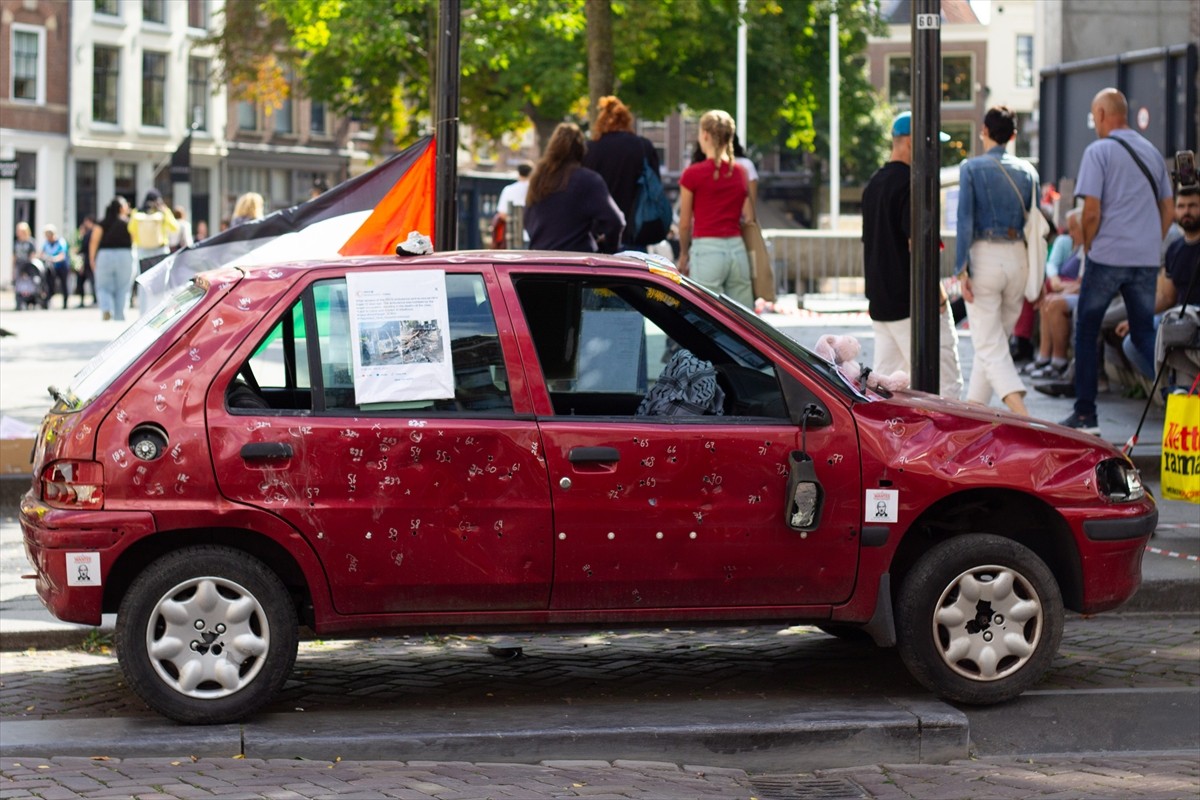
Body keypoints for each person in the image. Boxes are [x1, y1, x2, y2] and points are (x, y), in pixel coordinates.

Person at [1062, 88, 1174, 434]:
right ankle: (1180, 395)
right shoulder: (1152, 152)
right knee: (1144, 335)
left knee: (1086, 327)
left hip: (1108, 256)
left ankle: (1086, 416)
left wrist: (1091, 248)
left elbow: (1091, 211)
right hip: (1143, 260)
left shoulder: (1099, 151)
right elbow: (1168, 209)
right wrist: (1149, 242)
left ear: (1100, 114)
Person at [861, 111, 963, 399]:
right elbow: (917, 246)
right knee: (946, 388)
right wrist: (939, 295)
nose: (934, 151)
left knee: (886, 394)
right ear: (910, 142)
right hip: (912, 305)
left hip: (881, 304)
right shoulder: (913, 184)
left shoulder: (873, 185)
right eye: (930, 143)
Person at [955, 105, 1040, 415]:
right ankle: (971, 414)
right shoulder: (1029, 171)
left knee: (990, 347)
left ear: (984, 131)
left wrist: (960, 269)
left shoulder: (971, 168)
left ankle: (1024, 416)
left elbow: (964, 220)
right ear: (1014, 136)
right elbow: (1037, 224)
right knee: (992, 346)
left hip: (985, 257)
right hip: (1019, 260)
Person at [678, 109, 754, 307]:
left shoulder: (692, 174)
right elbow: (749, 217)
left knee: (705, 317)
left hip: (707, 249)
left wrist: (684, 254)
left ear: (705, 135)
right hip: (737, 250)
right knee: (744, 320)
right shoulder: (741, 172)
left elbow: (685, 223)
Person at [523, 122, 624, 253]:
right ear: (582, 150)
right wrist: (608, 248)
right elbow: (615, 221)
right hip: (576, 263)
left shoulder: (537, 179)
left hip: (539, 260)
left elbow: (528, 219)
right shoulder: (589, 180)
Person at [582, 95, 661, 250]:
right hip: (635, 231)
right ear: (626, 120)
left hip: (598, 234)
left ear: (601, 121)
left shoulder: (590, 149)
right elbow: (655, 186)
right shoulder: (643, 146)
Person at [1024, 208, 1085, 379]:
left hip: (1086, 295)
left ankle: (1058, 361)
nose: (1071, 233)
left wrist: (1063, 288)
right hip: (1075, 291)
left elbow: (1084, 283)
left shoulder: (1090, 247)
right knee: (1049, 301)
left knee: (1054, 303)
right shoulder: (1079, 247)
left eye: (1074, 228)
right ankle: (1045, 358)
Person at [89, 196, 136, 321]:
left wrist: (92, 258)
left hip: (105, 255)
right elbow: (134, 239)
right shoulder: (129, 223)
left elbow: (94, 241)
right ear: (121, 208)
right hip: (125, 255)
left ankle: (106, 309)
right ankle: (120, 315)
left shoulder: (102, 222)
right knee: (123, 287)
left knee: (103, 286)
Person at [128, 189, 179, 265]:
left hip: (143, 250)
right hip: (160, 249)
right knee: (161, 275)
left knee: (144, 274)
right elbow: (174, 227)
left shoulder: (137, 212)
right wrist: (165, 211)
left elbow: (131, 229)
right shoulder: (163, 212)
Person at [492, 161, 532, 248]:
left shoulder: (508, 189)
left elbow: (502, 213)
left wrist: (516, 223)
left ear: (518, 173)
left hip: (513, 237)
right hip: (532, 236)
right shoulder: (535, 190)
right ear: (531, 173)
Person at [38, 225, 70, 309]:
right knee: (50, 284)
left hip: (62, 266)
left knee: (63, 284)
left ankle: (65, 303)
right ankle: (47, 301)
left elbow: (62, 255)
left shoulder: (61, 242)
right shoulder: (47, 243)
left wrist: (53, 259)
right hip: (52, 267)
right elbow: (41, 253)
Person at [75, 215, 97, 307]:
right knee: (86, 281)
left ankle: (93, 299)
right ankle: (92, 299)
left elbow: (85, 248)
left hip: (88, 261)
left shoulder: (90, 233)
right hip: (89, 261)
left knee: (90, 281)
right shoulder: (93, 232)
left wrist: (77, 251)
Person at [12, 221, 36, 286]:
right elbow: (14, 256)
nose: (17, 232)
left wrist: (29, 267)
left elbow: (32, 255)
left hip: (27, 265)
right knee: (18, 283)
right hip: (18, 264)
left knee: (28, 282)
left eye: (19, 231)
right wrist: (13, 269)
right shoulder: (16, 243)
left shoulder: (30, 242)